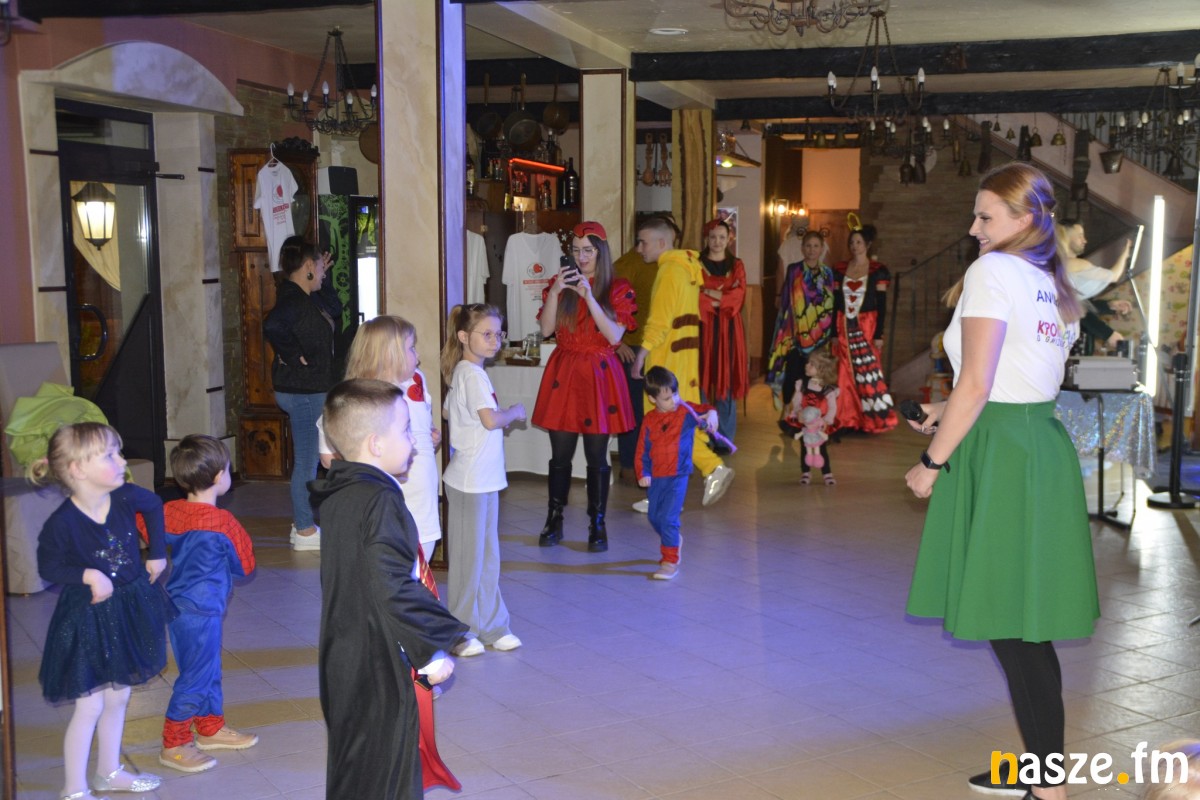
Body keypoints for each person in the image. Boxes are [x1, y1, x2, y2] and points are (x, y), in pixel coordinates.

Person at [904, 162, 1098, 800]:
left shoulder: (993, 272)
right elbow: (1020, 379)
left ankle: (1049, 787)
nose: (973, 228)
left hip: (1005, 454)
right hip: (1035, 442)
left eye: (985, 216)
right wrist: (944, 412)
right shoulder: (1053, 284)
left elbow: (979, 383)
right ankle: (1044, 770)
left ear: (1026, 219)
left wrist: (931, 462)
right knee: (1022, 621)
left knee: (1013, 627)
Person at [309, 379, 469, 799]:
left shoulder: (342, 492)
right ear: (375, 444)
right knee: (388, 774)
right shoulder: (380, 500)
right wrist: (429, 649)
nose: (414, 440)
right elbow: (390, 584)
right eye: (405, 430)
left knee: (354, 768)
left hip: (343, 654)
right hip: (375, 660)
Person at [33, 422, 173, 800]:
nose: (122, 461)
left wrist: (157, 552)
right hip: (89, 617)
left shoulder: (124, 496)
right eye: (110, 455)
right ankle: (74, 788)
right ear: (78, 469)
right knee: (90, 704)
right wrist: (88, 574)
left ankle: (108, 772)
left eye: (118, 452)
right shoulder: (63, 521)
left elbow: (154, 504)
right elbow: (48, 566)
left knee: (119, 696)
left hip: (127, 606)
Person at [150, 435, 257, 774]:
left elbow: (146, 527)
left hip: (178, 606)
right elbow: (246, 565)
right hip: (204, 610)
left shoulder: (169, 511)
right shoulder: (223, 523)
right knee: (197, 675)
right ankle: (174, 742)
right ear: (219, 476)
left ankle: (209, 727)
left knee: (204, 668)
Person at [533, 221, 636, 552]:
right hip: (565, 371)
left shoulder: (617, 288)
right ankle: (554, 517)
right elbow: (546, 330)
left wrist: (589, 296)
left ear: (601, 252)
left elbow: (614, 336)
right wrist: (555, 292)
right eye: (576, 251)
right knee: (560, 455)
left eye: (588, 251)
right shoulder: (560, 284)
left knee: (596, 456)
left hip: (599, 375)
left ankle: (597, 522)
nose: (582, 257)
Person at [318, 315, 444, 561]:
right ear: (389, 355)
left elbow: (421, 425)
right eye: (411, 348)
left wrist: (428, 436)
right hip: (385, 504)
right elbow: (328, 457)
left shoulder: (415, 381)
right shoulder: (356, 400)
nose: (418, 355)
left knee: (419, 571)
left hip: (422, 499)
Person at [630, 216, 734, 509]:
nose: (639, 248)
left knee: (665, 427)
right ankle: (666, 493)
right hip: (684, 360)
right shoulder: (688, 269)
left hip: (666, 362)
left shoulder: (670, 271)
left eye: (643, 242)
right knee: (677, 424)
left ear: (661, 243)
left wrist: (641, 355)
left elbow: (659, 320)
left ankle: (711, 467)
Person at [440, 303, 525, 656]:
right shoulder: (471, 375)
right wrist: (513, 413)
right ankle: (460, 633)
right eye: (486, 334)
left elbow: (448, 411)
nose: (495, 341)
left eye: (498, 334)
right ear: (464, 336)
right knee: (468, 562)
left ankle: (492, 626)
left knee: (488, 558)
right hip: (469, 482)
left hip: (484, 480)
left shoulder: (468, 372)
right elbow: (490, 421)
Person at [263, 235, 336, 551]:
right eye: (319, 266)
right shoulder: (293, 300)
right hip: (303, 392)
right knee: (307, 461)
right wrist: (293, 355)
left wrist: (324, 280)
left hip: (308, 389)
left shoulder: (305, 296)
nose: (322, 271)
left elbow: (335, 310)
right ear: (307, 266)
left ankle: (303, 526)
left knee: (310, 459)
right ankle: (305, 530)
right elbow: (272, 325)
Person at [634, 366, 718, 581]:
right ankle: (673, 539)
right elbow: (642, 449)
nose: (674, 401)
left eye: (675, 394)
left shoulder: (685, 412)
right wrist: (643, 472)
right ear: (652, 399)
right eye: (667, 398)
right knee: (654, 517)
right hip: (656, 476)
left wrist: (711, 414)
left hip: (678, 475)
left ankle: (669, 560)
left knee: (669, 518)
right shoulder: (649, 420)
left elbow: (705, 409)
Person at [612, 215, 669, 484]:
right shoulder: (627, 264)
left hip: (661, 347)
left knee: (659, 408)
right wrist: (618, 342)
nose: (642, 247)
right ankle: (630, 465)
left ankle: (659, 466)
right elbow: (603, 302)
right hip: (633, 347)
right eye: (642, 241)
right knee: (634, 409)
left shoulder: (671, 265)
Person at [832, 221, 897, 433]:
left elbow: (882, 304)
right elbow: (835, 302)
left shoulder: (878, 270)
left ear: (867, 244)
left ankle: (868, 420)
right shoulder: (840, 269)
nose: (854, 246)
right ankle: (845, 418)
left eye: (858, 242)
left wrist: (879, 334)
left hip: (867, 325)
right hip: (844, 325)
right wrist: (833, 331)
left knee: (868, 371)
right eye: (852, 242)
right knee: (844, 371)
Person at [766, 230, 836, 420]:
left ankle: (809, 413)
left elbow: (830, 303)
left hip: (819, 333)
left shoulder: (828, 273)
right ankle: (787, 409)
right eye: (808, 246)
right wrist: (787, 329)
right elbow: (787, 300)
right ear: (802, 248)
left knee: (813, 375)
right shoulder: (794, 270)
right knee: (793, 373)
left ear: (821, 249)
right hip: (796, 333)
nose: (812, 250)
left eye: (816, 246)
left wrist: (827, 332)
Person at [697, 218, 748, 450]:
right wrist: (721, 296)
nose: (717, 241)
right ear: (706, 238)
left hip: (729, 330)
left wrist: (709, 292)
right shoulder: (696, 263)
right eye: (713, 237)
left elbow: (738, 297)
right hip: (703, 328)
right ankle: (703, 438)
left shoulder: (737, 265)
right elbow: (694, 295)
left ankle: (725, 438)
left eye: (722, 237)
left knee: (725, 381)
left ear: (729, 239)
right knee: (701, 380)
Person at [1056, 220, 1135, 351]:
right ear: (1066, 236)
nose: (1085, 240)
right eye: (1080, 235)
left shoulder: (1061, 267)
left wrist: (1110, 306)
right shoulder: (1073, 264)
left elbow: (1079, 305)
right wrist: (1125, 254)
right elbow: (1114, 276)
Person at [782, 350, 839, 485]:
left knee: (822, 448)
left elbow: (832, 407)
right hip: (805, 422)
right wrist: (798, 412)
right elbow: (797, 400)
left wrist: (826, 421)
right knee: (804, 446)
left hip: (820, 424)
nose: (806, 365)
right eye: (808, 363)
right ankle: (805, 472)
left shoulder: (828, 389)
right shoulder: (802, 384)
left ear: (822, 370)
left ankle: (827, 473)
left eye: (811, 364)